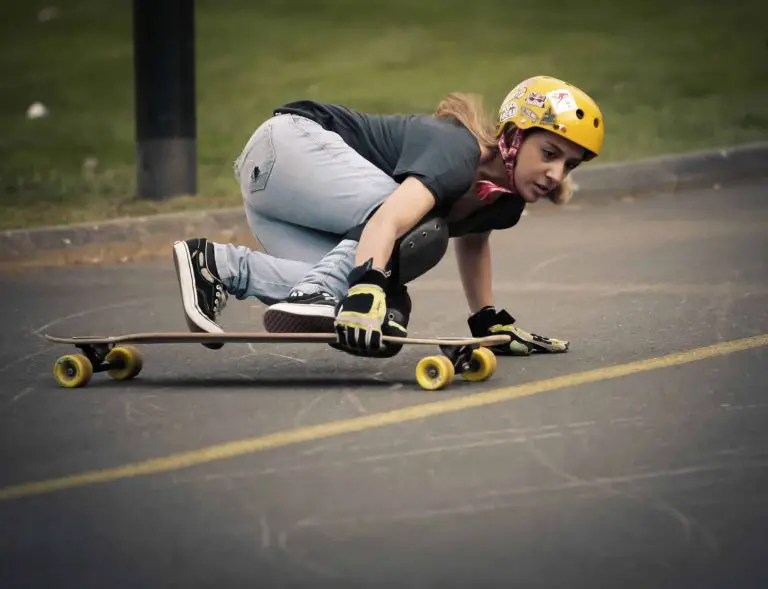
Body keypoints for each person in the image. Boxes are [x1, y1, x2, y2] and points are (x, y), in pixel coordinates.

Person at [171, 75, 605, 357]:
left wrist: (485, 318)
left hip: (278, 196)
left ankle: (216, 265)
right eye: (549, 153)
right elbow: (389, 221)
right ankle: (321, 290)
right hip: (290, 147)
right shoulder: (458, 151)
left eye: (569, 164)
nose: (555, 173)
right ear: (513, 137)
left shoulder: (505, 202)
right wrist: (367, 286)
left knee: (389, 306)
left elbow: (474, 242)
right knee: (413, 234)